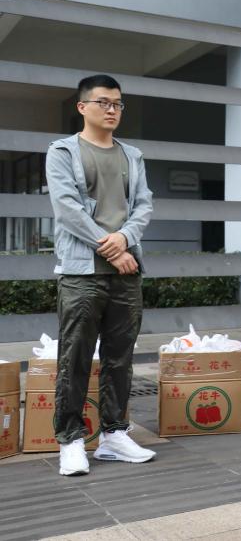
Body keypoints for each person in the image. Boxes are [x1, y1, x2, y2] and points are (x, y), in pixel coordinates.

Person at [45, 74, 156, 476]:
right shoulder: (62, 151)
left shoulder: (132, 156)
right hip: (82, 272)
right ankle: (71, 440)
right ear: (83, 107)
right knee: (74, 357)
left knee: (119, 358)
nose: (112, 110)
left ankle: (113, 435)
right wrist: (111, 247)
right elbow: (67, 208)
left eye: (117, 104)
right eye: (103, 102)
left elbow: (143, 205)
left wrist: (124, 239)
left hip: (126, 271)